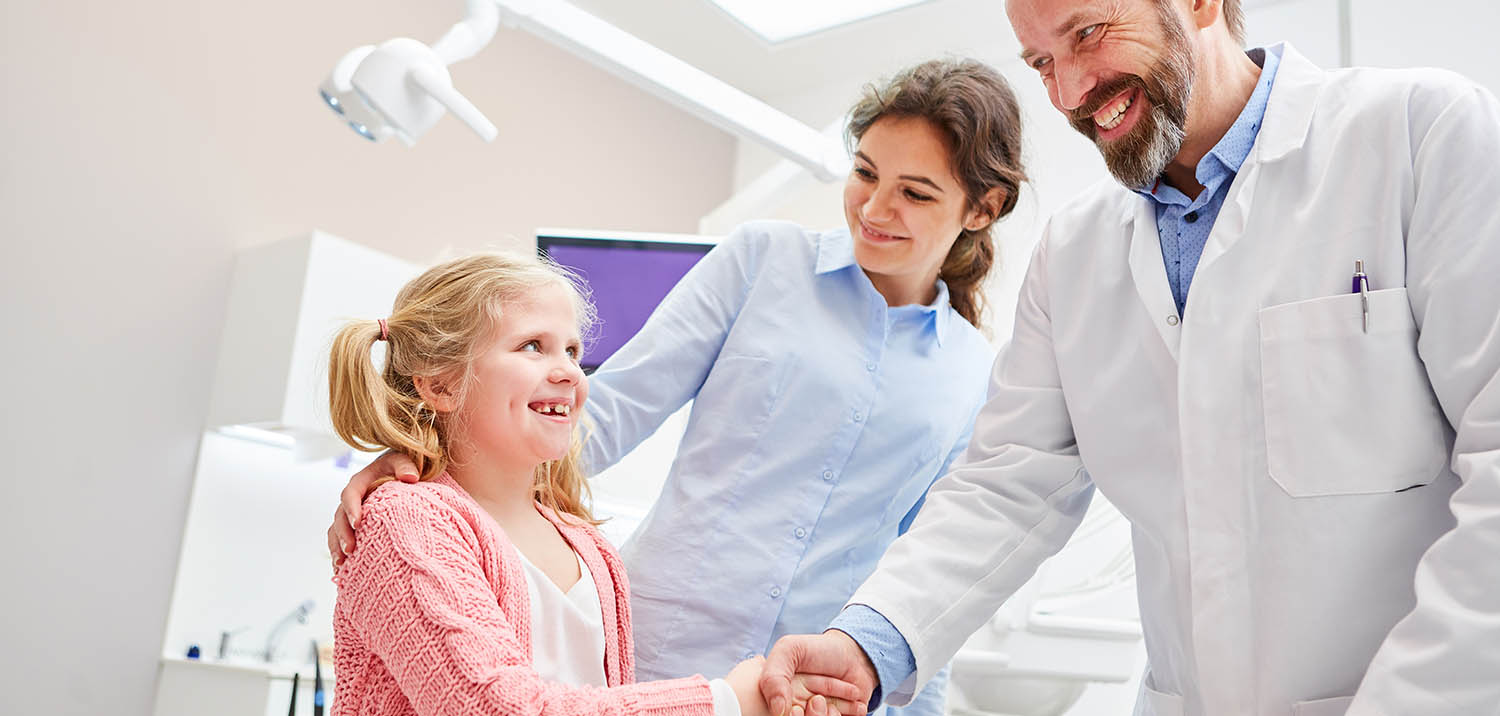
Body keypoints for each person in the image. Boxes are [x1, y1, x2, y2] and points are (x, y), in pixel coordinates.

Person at [760, 1, 1500, 715]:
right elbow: (1006, 485)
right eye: (1042, 62)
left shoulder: (1421, 136)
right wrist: (869, 644)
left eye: (1088, 32)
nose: (1069, 92)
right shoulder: (1073, 253)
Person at [328, 59, 1029, 715]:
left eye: (915, 193)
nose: (875, 207)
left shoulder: (974, 373)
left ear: (981, 208)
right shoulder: (762, 260)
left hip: (806, 696)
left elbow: (926, 576)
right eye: (865, 173)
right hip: (657, 658)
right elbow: (611, 408)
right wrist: (433, 463)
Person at [323, 252, 864, 715]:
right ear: (440, 384)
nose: (569, 372)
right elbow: (494, 705)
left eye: (573, 351)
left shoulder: (588, 545)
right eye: (532, 346)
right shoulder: (404, 520)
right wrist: (724, 702)